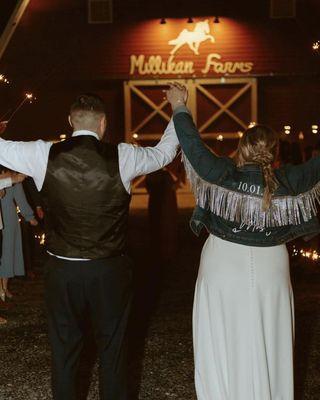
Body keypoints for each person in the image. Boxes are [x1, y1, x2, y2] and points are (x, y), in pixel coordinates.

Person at [0, 93, 179, 399]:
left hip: (62, 270)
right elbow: (164, 153)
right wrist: (178, 109)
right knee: (114, 350)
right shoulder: (123, 155)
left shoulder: (43, 153)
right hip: (109, 270)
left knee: (65, 350)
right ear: (103, 123)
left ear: (70, 122)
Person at [166, 83, 320, 400]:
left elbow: (193, 146)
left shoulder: (222, 172)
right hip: (271, 265)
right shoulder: (290, 180)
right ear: (275, 151)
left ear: (243, 147)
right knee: (270, 337)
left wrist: (180, 106)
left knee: (220, 335)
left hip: (222, 260)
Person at [0, 174, 38, 302]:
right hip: (5, 216)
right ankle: (2, 288)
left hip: (8, 217)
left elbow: (20, 198)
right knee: (4, 252)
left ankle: (4, 287)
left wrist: (29, 216)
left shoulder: (14, 176)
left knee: (7, 252)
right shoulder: (13, 177)